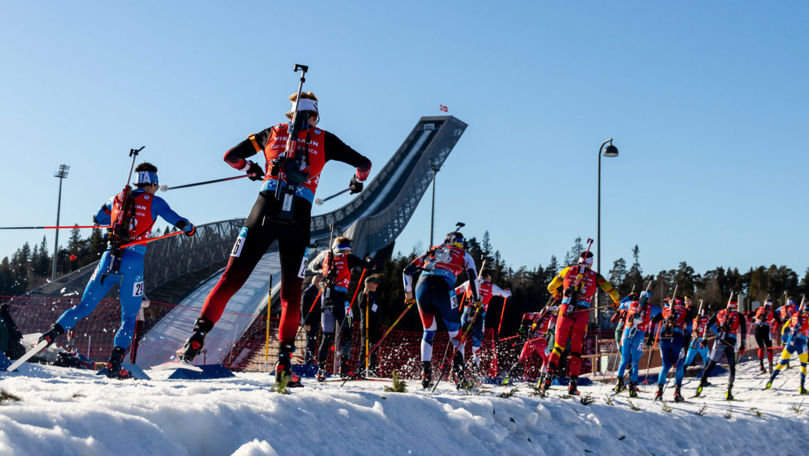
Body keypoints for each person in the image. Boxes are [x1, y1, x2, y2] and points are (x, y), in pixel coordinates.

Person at [177, 91, 372, 387]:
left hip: (264, 207)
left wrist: (250, 168)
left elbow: (230, 156)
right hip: (300, 216)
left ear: (290, 115)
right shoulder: (324, 138)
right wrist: (358, 181)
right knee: (291, 296)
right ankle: (283, 363)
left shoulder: (272, 132)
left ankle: (198, 334)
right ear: (315, 116)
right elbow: (365, 164)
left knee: (231, 278)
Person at [39, 163, 195, 379]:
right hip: (133, 263)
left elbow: (98, 218)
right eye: (155, 187)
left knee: (84, 306)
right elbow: (178, 221)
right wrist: (190, 229)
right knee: (129, 317)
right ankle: (114, 363)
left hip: (109, 259)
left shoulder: (117, 198)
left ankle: (50, 334)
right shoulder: (155, 202)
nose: (156, 191)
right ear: (152, 184)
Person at [403, 231, 479, 389]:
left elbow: (407, 271)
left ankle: (426, 375)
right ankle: (459, 375)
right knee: (456, 334)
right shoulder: (465, 255)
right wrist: (476, 298)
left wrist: (408, 294)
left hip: (422, 286)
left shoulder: (433, 249)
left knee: (429, 330)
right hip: (444, 287)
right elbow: (473, 277)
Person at [542, 251, 620, 395]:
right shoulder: (596, 276)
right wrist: (616, 302)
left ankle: (548, 376)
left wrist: (556, 294)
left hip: (565, 310)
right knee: (577, 352)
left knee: (558, 347)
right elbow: (613, 292)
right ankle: (573, 385)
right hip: (582, 313)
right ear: (591, 263)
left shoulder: (568, 270)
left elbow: (551, 286)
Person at [308, 236, 373, 380]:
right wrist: (368, 260)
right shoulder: (349, 258)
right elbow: (371, 266)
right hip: (341, 300)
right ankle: (344, 368)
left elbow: (313, 267)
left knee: (326, 337)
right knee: (348, 330)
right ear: (347, 248)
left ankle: (321, 370)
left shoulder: (327, 258)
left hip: (325, 300)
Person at [455, 269, 512, 373]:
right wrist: (508, 291)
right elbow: (507, 295)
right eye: (490, 278)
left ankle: (458, 365)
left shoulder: (469, 282)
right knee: (477, 342)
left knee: (461, 339)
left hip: (466, 313)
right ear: (487, 277)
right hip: (479, 315)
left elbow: (455, 292)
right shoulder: (491, 287)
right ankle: (475, 368)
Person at [695, 298, 747, 400]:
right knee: (732, 366)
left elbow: (708, 324)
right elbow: (744, 330)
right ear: (736, 305)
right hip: (731, 342)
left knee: (710, 364)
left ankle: (700, 386)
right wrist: (742, 344)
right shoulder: (739, 315)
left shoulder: (720, 312)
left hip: (719, 341)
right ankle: (729, 391)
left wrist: (705, 339)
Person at [648, 296, 694, 402]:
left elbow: (652, 322)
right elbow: (690, 326)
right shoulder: (686, 311)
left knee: (666, 366)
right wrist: (687, 339)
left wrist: (651, 336)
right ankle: (677, 392)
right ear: (682, 302)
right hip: (678, 338)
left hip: (664, 339)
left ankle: (659, 392)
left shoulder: (665, 310)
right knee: (679, 365)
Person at [615, 290, 657, 398]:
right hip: (639, 335)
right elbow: (663, 313)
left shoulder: (631, 303)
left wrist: (628, 296)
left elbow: (620, 304)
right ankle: (632, 387)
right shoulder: (651, 308)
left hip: (627, 333)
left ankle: (619, 383)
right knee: (635, 362)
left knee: (624, 359)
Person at [504, 303, 557, 386]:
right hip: (541, 342)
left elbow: (526, 315)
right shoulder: (551, 317)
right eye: (554, 311)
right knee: (547, 360)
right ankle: (541, 381)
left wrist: (522, 327)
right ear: (550, 311)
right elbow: (552, 321)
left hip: (531, 340)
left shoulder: (537, 315)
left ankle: (507, 377)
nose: (555, 312)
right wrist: (550, 330)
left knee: (521, 360)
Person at [765, 301, 809, 394]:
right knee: (803, 364)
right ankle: (802, 387)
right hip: (801, 343)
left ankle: (770, 381)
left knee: (782, 363)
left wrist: (784, 340)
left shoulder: (795, 315)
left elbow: (785, 328)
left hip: (790, 341)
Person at [356, 275, 383, 376]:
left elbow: (378, 309)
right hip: (366, 325)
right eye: (374, 283)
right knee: (365, 347)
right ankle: (360, 369)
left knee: (375, 348)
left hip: (375, 325)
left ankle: (373, 369)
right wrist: (365, 291)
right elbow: (362, 306)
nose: (376, 285)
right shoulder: (363, 294)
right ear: (369, 284)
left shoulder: (375, 295)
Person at [682, 306, 712, 376]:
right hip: (701, 342)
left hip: (693, 342)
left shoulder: (694, 320)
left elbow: (688, 329)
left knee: (687, 361)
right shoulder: (707, 320)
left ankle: (679, 376)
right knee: (707, 360)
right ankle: (705, 378)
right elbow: (712, 329)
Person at [754, 298, 782, 373]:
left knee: (761, 347)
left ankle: (761, 365)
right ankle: (770, 365)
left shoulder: (759, 308)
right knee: (769, 347)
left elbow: (750, 315)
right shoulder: (773, 311)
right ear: (771, 304)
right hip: (765, 329)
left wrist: (754, 319)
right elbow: (779, 322)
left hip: (756, 329)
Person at [300, 274, 323, 365]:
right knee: (310, 342)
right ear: (317, 282)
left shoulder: (317, 292)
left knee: (313, 342)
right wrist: (306, 322)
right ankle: (308, 362)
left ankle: (310, 360)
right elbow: (304, 307)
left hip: (315, 321)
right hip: (310, 321)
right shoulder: (309, 291)